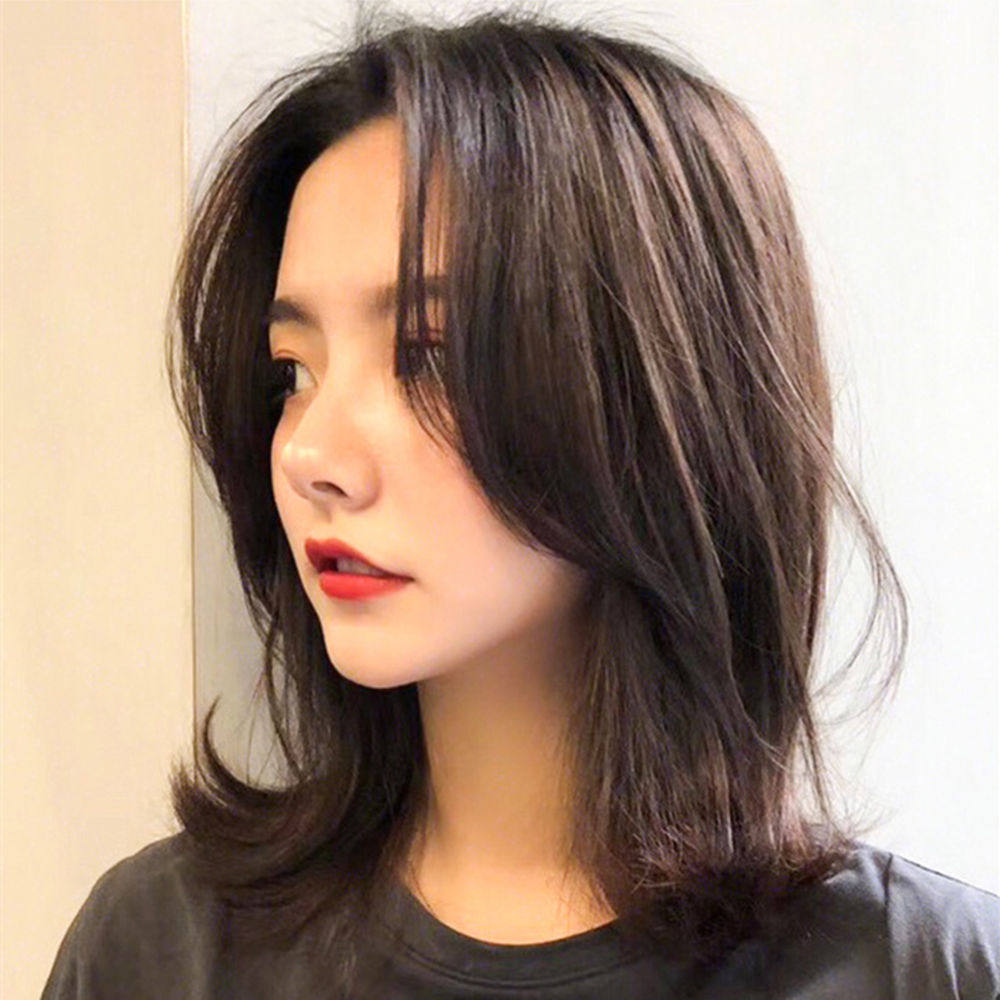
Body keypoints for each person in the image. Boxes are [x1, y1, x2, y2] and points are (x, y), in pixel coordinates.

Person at [42, 6, 999, 999]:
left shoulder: (927, 971)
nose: (312, 454)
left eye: (428, 357)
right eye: (293, 371)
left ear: (660, 395)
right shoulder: (161, 952)